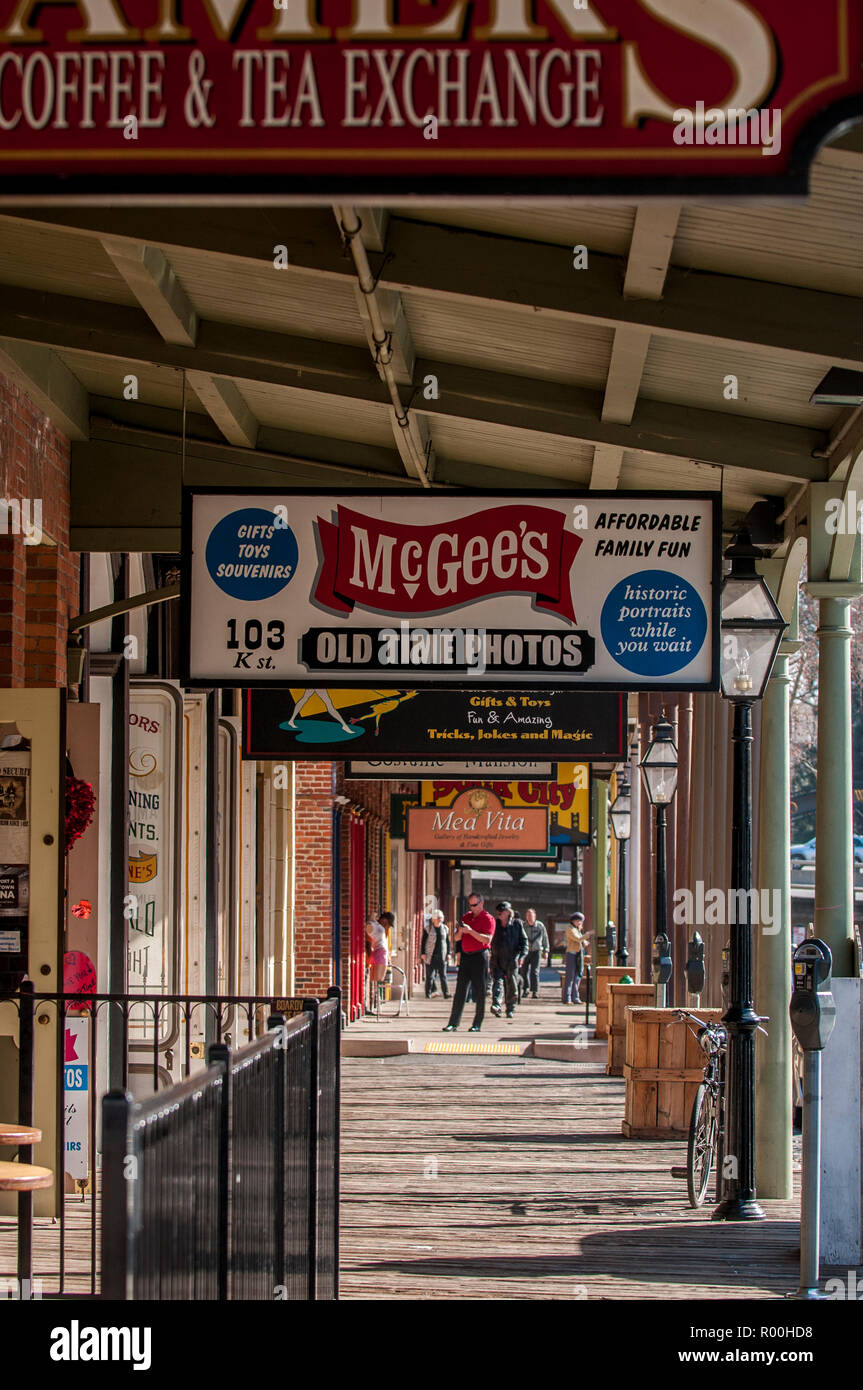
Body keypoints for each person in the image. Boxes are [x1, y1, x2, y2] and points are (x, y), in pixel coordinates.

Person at [443, 892, 496, 1033]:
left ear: (481, 903)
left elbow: (487, 940)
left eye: (475, 905)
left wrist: (471, 931)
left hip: (480, 957)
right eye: (470, 905)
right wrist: (460, 931)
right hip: (466, 956)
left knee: (480, 991)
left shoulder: (488, 919)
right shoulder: (466, 917)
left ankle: (477, 1023)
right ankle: (453, 1023)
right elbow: (456, 938)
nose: (472, 908)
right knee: (460, 990)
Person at [490, 901, 529, 1020]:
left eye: (501, 912)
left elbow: (524, 942)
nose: (499, 914)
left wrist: (521, 956)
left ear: (508, 912)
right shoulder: (495, 924)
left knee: (511, 984)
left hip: (512, 960)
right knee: (498, 982)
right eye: (498, 912)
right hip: (497, 959)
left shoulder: (517, 924)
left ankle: (510, 1008)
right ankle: (497, 1005)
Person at [521, 908, 550, 1000]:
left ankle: (535, 991)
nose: (529, 917)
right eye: (527, 915)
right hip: (525, 951)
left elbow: (545, 938)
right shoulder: (523, 926)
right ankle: (525, 989)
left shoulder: (540, 926)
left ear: (535, 916)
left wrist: (546, 950)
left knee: (535, 972)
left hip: (536, 951)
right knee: (524, 971)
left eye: (531, 915)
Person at [422, 909, 450, 999]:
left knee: (443, 976)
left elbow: (447, 942)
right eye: (438, 918)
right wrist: (422, 953)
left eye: (441, 918)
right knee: (430, 976)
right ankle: (428, 993)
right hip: (431, 955)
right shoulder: (428, 928)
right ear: (433, 919)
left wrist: (448, 953)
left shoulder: (445, 928)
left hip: (442, 955)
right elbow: (423, 942)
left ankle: (446, 993)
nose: (440, 919)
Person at [563, 912, 589, 1005]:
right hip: (571, 954)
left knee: (577, 975)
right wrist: (587, 935)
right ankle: (567, 997)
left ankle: (575, 997)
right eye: (579, 921)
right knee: (570, 976)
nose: (580, 923)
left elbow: (581, 939)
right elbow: (577, 939)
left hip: (578, 954)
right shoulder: (570, 929)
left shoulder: (577, 929)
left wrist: (584, 940)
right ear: (574, 921)